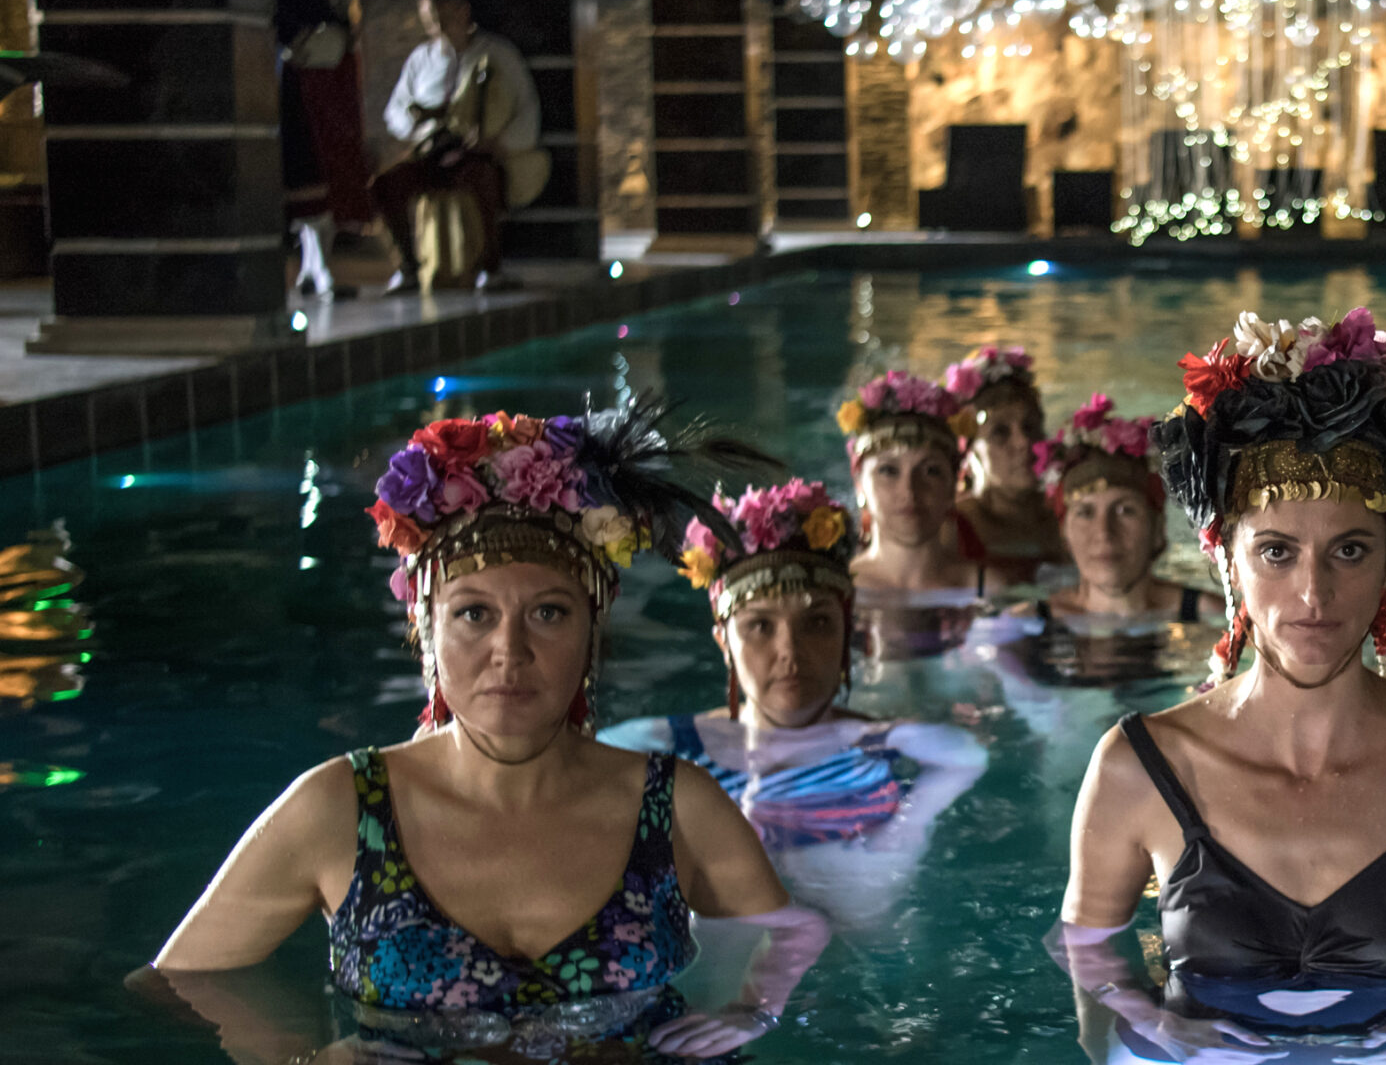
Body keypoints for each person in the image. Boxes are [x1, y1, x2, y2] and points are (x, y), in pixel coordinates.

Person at [143, 402, 830, 1060]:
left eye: (549, 613)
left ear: (593, 631)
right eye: (474, 614)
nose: (510, 651)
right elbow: (172, 987)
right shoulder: (340, 810)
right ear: (425, 630)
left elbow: (797, 930)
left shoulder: (674, 804)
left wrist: (754, 1009)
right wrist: (303, 1060)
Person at [1055, 309, 1386, 1064]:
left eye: (1349, 550)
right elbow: (1089, 958)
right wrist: (1149, 1019)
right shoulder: (1137, 765)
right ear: (1224, 560)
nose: (1313, 595)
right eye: (1276, 552)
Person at [600, 479, 987, 935]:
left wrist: (911, 823)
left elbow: (968, 758)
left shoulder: (899, 752)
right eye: (760, 626)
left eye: (816, 623)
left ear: (847, 632)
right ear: (724, 642)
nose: (790, 651)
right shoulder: (661, 749)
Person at [370, 0, 549, 295]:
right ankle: (408, 267)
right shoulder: (421, 60)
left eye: (444, 17)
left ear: (462, 11)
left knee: (484, 180)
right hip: (431, 153)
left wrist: (499, 142)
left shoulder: (497, 54)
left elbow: (527, 107)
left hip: (477, 153)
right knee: (386, 184)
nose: (438, 27)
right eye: (431, 20)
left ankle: (491, 268)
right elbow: (396, 110)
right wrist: (415, 122)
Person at [1026, 392, 1219, 626]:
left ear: (1157, 528)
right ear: (1063, 533)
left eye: (1125, 511)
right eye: (1085, 513)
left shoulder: (1214, 618)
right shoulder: (1026, 622)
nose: (1104, 533)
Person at [837, 369, 994, 657]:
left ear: (954, 485)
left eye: (931, 471)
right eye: (889, 471)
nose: (909, 490)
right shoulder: (835, 591)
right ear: (859, 484)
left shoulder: (990, 589)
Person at [271, 0, 369, 300]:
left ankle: (316, 266)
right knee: (310, 162)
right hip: (304, 74)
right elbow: (273, 7)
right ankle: (319, 265)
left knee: (330, 160)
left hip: (331, 72)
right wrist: (298, 39)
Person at [946, 344, 1066, 576]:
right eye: (1000, 432)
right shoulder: (950, 527)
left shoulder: (1071, 516)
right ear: (969, 453)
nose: (1023, 442)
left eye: (1030, 427)